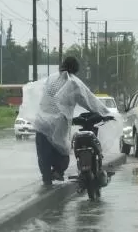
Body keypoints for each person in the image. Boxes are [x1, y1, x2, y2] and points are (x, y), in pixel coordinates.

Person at [32, 56, 111, 186]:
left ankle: (46, 180)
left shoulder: (51, 78)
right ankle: (57, 172)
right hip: (58, 125)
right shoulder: (74, 83)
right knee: (63, 153)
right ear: (76, 69)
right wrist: (104, 113)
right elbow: (89, 101)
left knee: (43, 155)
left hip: (42, 123)